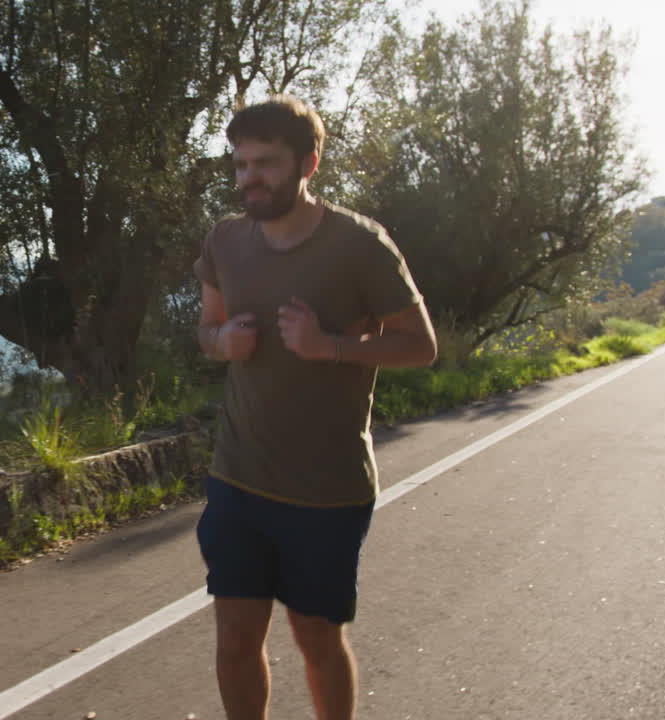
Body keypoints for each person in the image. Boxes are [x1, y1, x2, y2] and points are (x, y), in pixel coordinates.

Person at [193, 95, 438, 720]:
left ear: (309, 163)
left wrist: (330, 346)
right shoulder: (224, 241)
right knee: (234, 640)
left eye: (266, 164)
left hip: (327, 490)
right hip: (238, 478)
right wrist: (224, 343)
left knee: (317, 640)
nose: (250, 178)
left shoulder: (358, 245)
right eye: (241, 164)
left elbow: (421, 346)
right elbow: (207, 329)